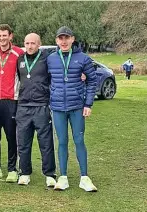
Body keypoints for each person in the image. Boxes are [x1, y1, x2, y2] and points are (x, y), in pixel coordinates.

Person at [47, 26, 98, 192]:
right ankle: (63, 177)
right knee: (61, 142)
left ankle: (84, 177)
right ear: (56, 41)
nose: (64, 41)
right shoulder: (51, 58)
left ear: (72, 39)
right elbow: (45, 81)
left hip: (77, 107)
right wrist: (51, 97)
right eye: (60, 38)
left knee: (79, 141)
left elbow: (92, 81)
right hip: (58, 108)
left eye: (66, 38)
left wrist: (88, 104)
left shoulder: (83, 58)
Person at [15, 33, 56, 187]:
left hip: (41, 106)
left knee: (45, 142)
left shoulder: (47, 59)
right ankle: (24, 173)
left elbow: (54, 77)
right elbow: (20, 78)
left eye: (33, 43)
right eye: (27, 43)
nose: (30, 46)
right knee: (23, 143)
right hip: (23, 107)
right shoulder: (20, 60)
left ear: (39, 44)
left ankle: (50, 174)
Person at [0, 24, 24, 182]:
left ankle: (12, 169)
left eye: (4, 35)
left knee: (10, 136)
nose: (1, 38)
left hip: (10, 100)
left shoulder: (18, 53)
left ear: (10, 36)